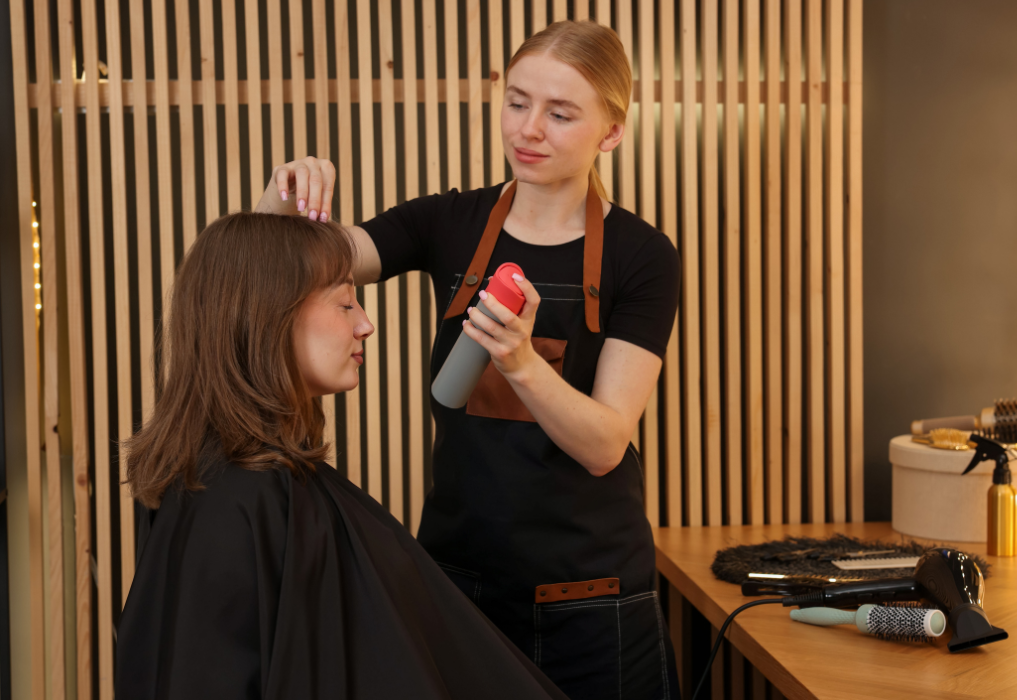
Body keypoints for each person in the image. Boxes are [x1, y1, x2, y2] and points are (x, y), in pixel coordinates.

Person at [254, 19, 681, 700]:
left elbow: (605, 443)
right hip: (458, 586)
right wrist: (283, 198)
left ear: (612, 132)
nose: (528, 129)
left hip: (593, 601)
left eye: (560, 113)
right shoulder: (447, 224)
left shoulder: (641, 257)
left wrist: (521, 363)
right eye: (517, 101)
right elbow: (298, 261)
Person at [115, 213, 569, 700]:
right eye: (345, 302)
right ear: (268, 314)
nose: (365, 324)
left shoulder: (253, 483)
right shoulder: (239, 503)